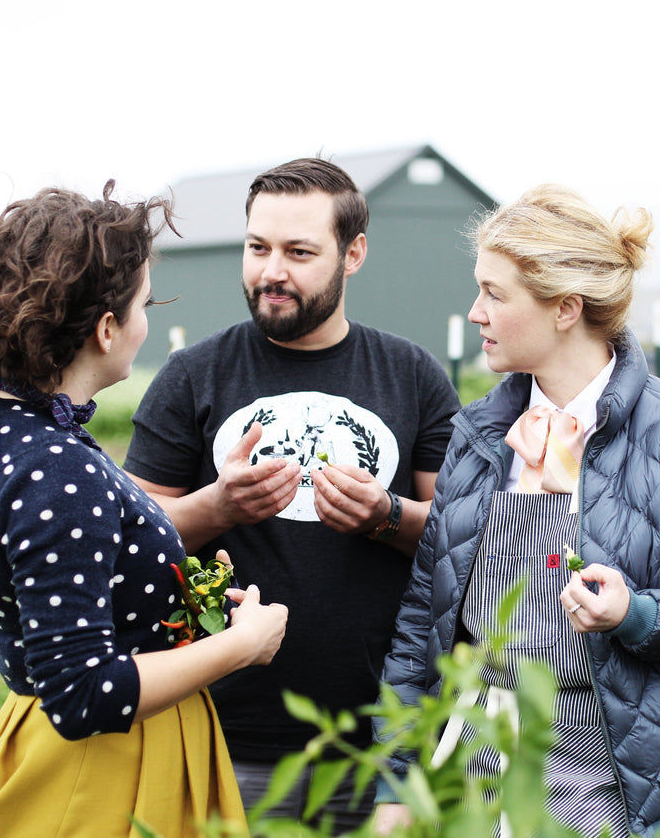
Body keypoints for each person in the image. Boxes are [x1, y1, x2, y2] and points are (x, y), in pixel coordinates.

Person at [373, 185, 660, 838]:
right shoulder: (479, 435)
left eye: (495, 294)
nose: (475, 312)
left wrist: (637, 613)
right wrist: (395, 779)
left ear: (566, 307)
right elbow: (422, 621)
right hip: (480, 776)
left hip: (622, 784)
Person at [0, 183, 289, 838]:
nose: (146, 321)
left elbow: (91, 549)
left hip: (60, 746)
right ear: (105, 327)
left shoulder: (3, 418)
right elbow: (84, 694)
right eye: (143, 304)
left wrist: (210, 519)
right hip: (103, 774)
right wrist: (241, 645)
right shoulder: (55, 467)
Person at [123, 157, 461, 831]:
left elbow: (465, 535)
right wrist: (216, 507)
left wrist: (385, 515)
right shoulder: (194, 374)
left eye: (298, 251)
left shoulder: (413, 374)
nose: (270, 270)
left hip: (381, 737)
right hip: (222, 731)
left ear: (353, 252)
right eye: (258, 248)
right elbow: (128, 539)